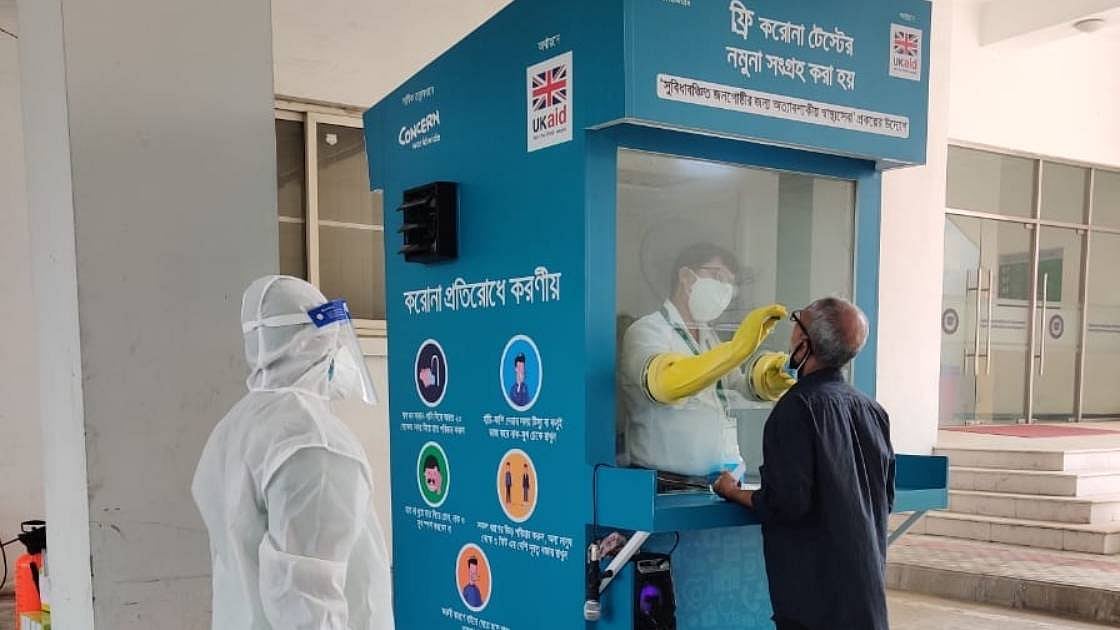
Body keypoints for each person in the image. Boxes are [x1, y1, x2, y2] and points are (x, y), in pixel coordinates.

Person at [192, 275, 394, 630]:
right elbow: (309, 608)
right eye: (333, 339)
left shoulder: (237, 425)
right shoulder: (314, 443)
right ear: (309, 342)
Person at [713, 297, 896, 630]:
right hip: (865, 597)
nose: (792, 330)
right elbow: (885, 496)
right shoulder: (872, 410)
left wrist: (731, 491)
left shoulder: (796, 408)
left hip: (815, 605)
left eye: (797, 321)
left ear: (804, 342)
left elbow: (785, 503)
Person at [618, 243, 796, 478]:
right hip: (665, 481)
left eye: (731, 285)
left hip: (720, 479)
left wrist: (768, 378)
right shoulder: (648, 331)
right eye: (718, 277)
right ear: (686, 277)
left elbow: (735, 387)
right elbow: (663, 383)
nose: (725, 290)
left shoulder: (708, 336)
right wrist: (734, 350)